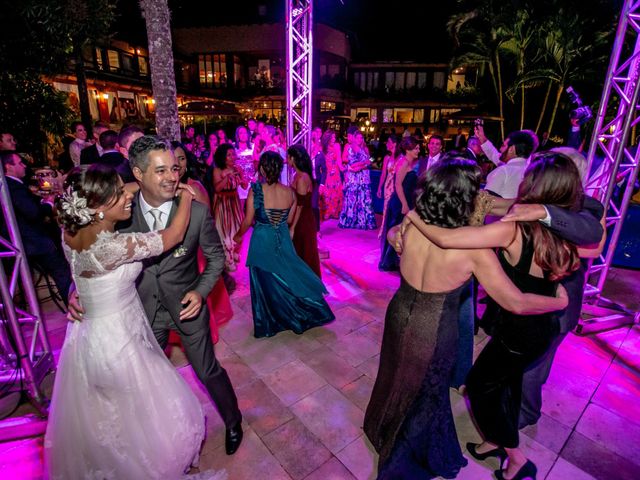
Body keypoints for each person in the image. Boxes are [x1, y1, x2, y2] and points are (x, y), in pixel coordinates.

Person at [364, 158, 568, 479]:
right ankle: (403, 461)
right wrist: (555, 302)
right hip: (435, 328)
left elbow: (393, 235)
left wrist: (395, 231)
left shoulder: (411, 226)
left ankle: (384, 426)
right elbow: (514, 301)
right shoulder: (475, 250)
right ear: (464, 198)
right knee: (425, 392)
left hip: (400, 314)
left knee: (397, 377)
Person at [44, 164, 225, 479]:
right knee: (148, 410)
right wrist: (184, 197)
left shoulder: (70, 232)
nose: (127, 195)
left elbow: (83, 274)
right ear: (98, 208)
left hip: (88, 339)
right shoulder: (114, 246)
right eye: (118, 194)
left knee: (111, 417)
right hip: (118, 344)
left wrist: (77, 293)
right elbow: (173, 236)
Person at [67, 136, 243, 457]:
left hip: (187, 307)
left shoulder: (198, 212)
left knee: (207, 371)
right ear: (138, 173)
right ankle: (158, 436)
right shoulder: (119, 213)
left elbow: (216, 259)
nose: (172, 177)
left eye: (174, 168)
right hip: (142, 312)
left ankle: (233, 422)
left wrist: (201, 293)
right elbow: (89, 252)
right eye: (160, 171)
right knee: (150, 377)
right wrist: (75, 291)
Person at [233, 151, 334, 338]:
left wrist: (238, 236)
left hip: (262, 241)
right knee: (287, 276)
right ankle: (298, 314)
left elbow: (247, 221)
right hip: (282, 238)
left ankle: (271, 323)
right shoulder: (289, 192)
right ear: (280, 169)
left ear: (262, 169)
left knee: (265, 283)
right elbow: (288, 220)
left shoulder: (255, 191)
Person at [0, 151, 72, 302]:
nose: (24, 166)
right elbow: (33, 213)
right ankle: (73, 307)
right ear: (9, 167)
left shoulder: (9, 185)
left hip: (18, 243)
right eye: (19, 163)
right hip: (32, 243)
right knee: (62, 271)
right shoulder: (12, 186)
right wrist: (48, 203)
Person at [378, 136, 419, 271]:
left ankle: (391, 261)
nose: (418, 150)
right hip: (399, 203)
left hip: (401, 201)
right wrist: (404, 204)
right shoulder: (404, 163)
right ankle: (387, 262)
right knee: (396, 231)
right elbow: (397, 184)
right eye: (416, 148)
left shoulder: (405, 161)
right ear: (408, 149)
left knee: (399, 231)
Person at [288, 145, 322, 277]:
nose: (286, 160)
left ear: (293, 158)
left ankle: (307, 287)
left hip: (303, 220)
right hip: (301, 218)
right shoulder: (297, 175)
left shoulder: (302, 178)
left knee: (304, 253)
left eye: (288, 157)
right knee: (300, 252)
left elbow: (300, 206)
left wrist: (293, 227)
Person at [212, 144, 247, 272]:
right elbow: (217, 188)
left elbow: (244, 186)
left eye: (233, 154)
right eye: (229, 155)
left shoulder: (237, 168)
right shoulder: (217, 170)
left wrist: (242, 177)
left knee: (239, 229)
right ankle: (228, 259)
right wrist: (227, 176)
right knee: (225, 232)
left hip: (235, 202)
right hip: (223, 202)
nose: (232, 157)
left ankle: (234, 252)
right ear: (223, 157)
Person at [338, 129, 376, 230]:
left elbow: (371, 159)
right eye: (358, 137)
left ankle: (363, 221)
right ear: (354, 138)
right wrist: (351, 168)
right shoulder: (348, 147)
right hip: (353, 176)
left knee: (364, 198)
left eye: (361, 137)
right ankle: (350, 220)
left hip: (363, 176)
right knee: (352, 198)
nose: (360, 139)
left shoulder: (365, 148)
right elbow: (344, 161)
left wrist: (361, 166)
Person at [376, 135, 400, 239]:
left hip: (396, 186)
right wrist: (379, 188)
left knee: (394, 209)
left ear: (394, 144)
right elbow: (383, 174)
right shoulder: (387, 158)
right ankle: (383, 232)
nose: (386, 143)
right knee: (385, 209)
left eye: (388, 142)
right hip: (388, 186)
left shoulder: (401, 158)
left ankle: (394, 232)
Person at [319, 130, 343, 220]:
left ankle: (334, 212)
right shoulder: (322, 147)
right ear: (327, 138)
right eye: (332, 137)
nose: (334, 139)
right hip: (326, 172)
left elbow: (339, 161)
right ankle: (327, 212)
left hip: (335, 172)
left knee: (336, 192)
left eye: (334, 137)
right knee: (326, 193)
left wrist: (345, 169)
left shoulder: (337, 146)